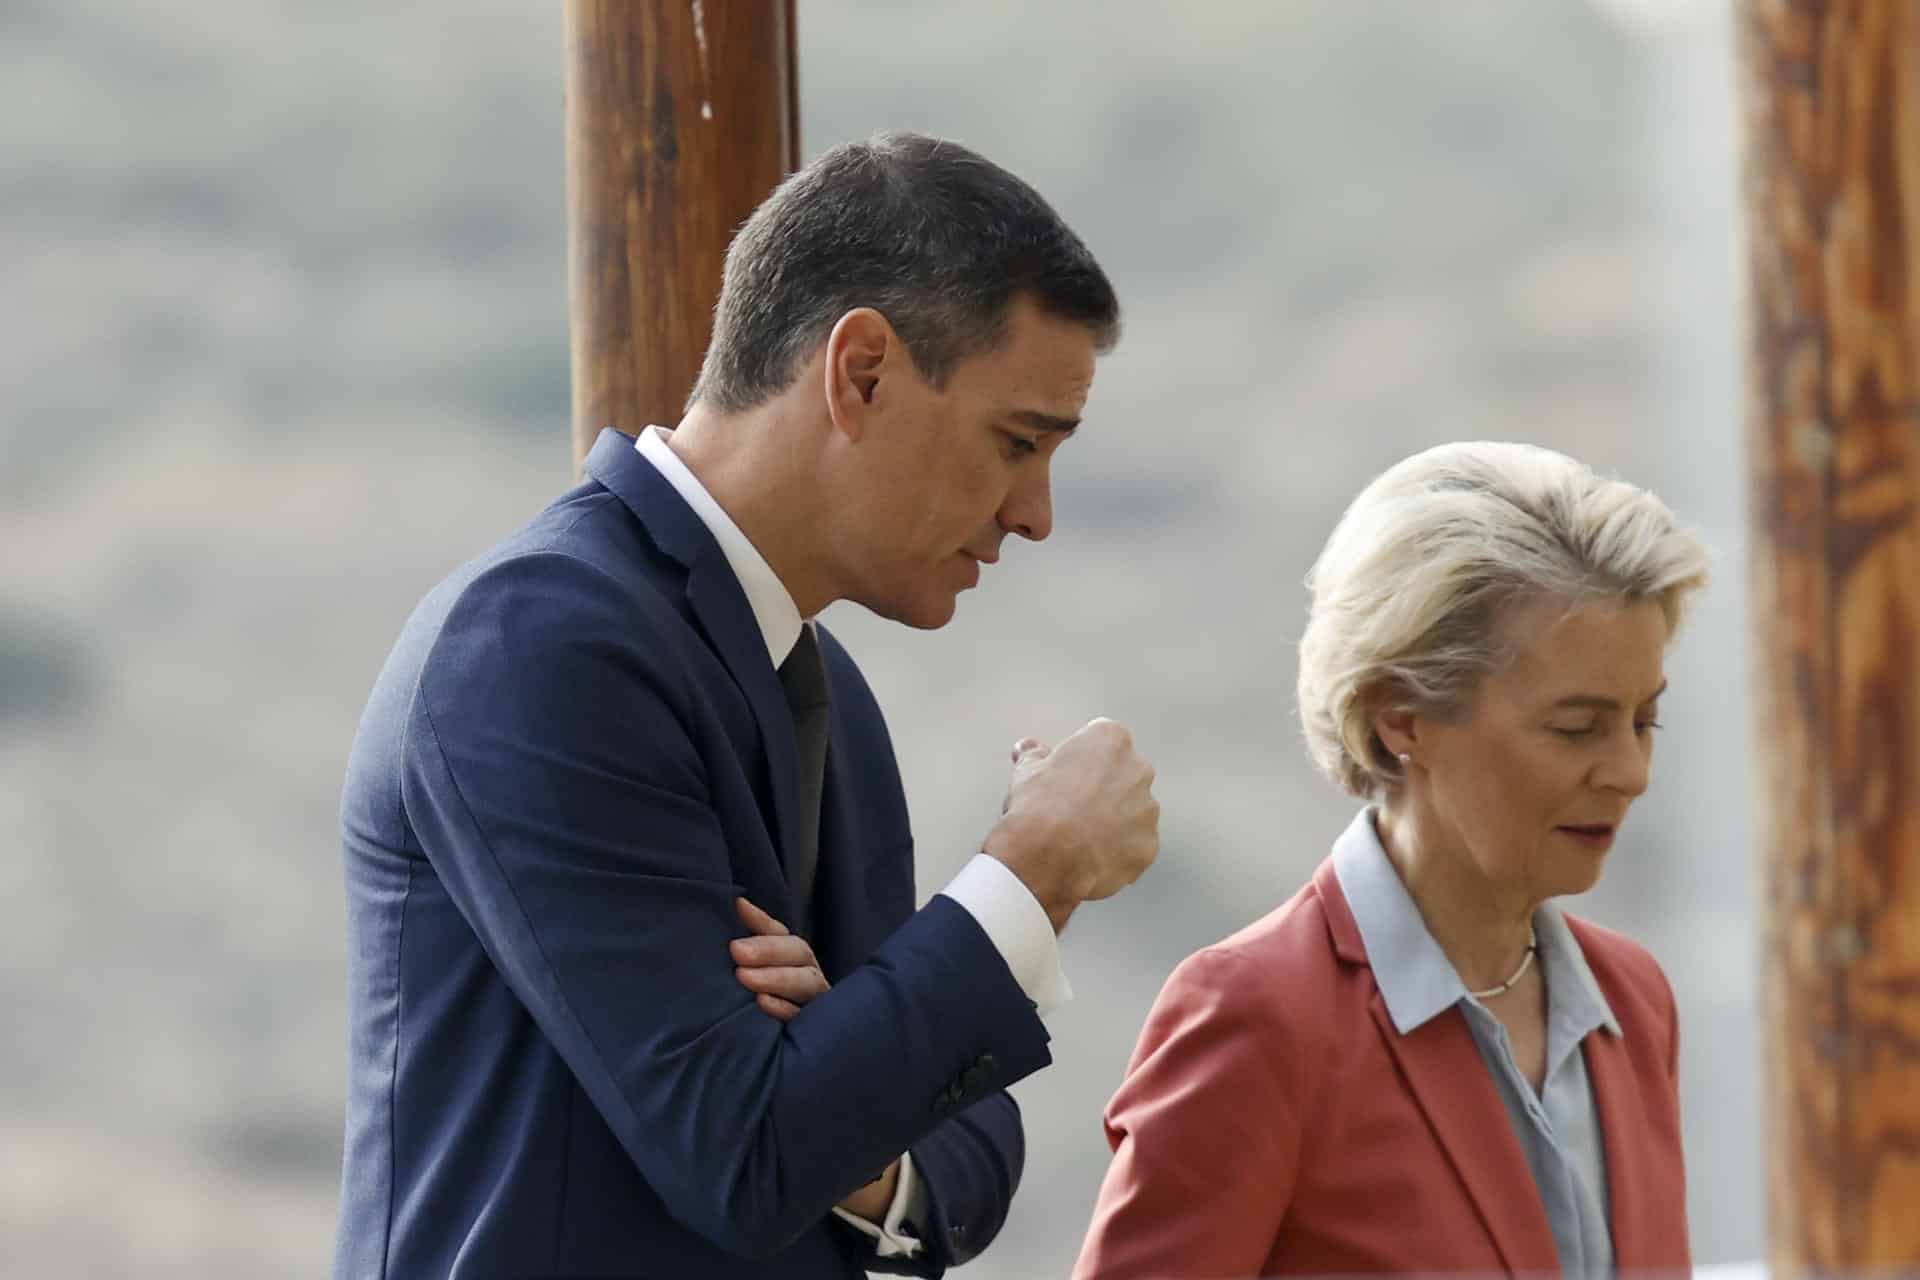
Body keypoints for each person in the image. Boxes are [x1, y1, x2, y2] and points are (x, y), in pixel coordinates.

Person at [333, 132, 1161, 1280]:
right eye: (1016, 441)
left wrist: (849, 1074)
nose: (1037, 512)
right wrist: (1031, 874)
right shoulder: (536, 645)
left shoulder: (837, 704)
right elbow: (749, 1152)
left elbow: (969, 1162)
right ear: (860, 369)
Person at [1074, 441, 1706, 1277]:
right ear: (1398, 718)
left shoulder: (1634, 1003)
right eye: (1576, 726)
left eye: (1644, 721)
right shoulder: (1259, 1017)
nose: (1631, 772)